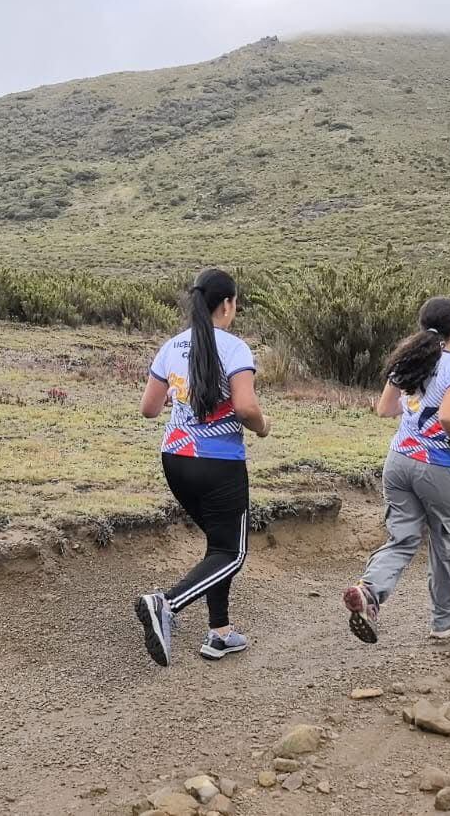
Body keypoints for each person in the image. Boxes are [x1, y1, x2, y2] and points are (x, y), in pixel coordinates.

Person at [134, 269, 270, 666]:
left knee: (217, 544)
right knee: (231, 552)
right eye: (236, 302)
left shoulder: (171, 346)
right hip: (219, 464)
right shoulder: (235, 348)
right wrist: (262, 426)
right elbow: (246, 408)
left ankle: (221, 632)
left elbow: (148, 409)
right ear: (226, 304)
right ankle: (165, 604)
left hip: (175, 461)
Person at [343, 297, 450, 644]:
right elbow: (448, 416)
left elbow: (385, 409)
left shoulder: (406, 359)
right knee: (444, 542)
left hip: (398, 462)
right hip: (437, 466)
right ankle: (445, 619)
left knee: (402, 538)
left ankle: (370, 591)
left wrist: (414, 405)